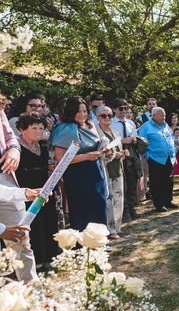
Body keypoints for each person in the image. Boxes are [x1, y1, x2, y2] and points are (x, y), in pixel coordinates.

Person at [0, 82, 38, 282]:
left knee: (21, 239)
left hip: (1, 179)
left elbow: (11, 137)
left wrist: (14, 150)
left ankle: (33, 293)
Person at [50, 97, 109, 231]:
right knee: (83, 208)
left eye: (85, 111)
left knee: (99, 204)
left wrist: (105, 149)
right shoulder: (65, 128)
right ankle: (83, 244)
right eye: (79, 111)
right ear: (71, 112)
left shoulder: (90, 125)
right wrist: (87, 156)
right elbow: (60, 158)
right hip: (77, 174)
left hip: (95, 170)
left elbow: (96, 146)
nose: (83, 114)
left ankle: (99, 241)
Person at [15, 113, 60, 268]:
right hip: (26, 189)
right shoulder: (16, 147)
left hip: (44, 187)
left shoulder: (41, 145)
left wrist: (50, 166)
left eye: (41, 128)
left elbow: (44, 163)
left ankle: (50, 255)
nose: (39, 131)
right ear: (22, 129)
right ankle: (37, 260)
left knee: (48, 220)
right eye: (34, 128)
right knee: (33, 224)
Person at [95, 105, 126, 239]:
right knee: (108, 200)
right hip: (104, 170)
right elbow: (98, 152)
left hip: (117, 169)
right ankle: (109, 229)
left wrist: (123, 153)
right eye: (104, 116)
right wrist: (114, 154)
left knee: (118, 200)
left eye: (110, 115)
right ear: (97, 118)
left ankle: (116, 227)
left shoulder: (116, 133)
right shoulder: (95, 133)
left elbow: (119, 148)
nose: (107, 118)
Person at [138, 107, 177, 212]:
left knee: (169, 181)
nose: (163, 117)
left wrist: (173, 155)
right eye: (161, 115)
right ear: (153, 116)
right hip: (155, 159)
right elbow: (141, 143)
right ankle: (159, 204)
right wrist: (148, 156)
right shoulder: (146, 127)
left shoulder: (166, 125)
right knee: (157, 182)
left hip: (168, 158)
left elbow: (171, 139)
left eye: (164, 115)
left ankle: (168, 201)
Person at [112, 99, 141, 221]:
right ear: (114, 109)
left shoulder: (131, 123)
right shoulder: (111, 123)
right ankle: (124, 210)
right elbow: (108, 141)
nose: (124, 111)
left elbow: (135, 135)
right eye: (121, 108)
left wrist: (134, 139)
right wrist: (122, 141)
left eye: (125, 108)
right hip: (118, 154)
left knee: (132, 181)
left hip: (131, 154)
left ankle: (131, 206)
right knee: (121, 183)